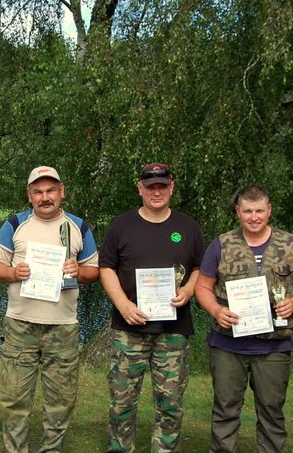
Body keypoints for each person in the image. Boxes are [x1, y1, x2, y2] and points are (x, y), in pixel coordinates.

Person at [0, 165, 99, 453]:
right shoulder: (15, 224)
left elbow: (94, 271)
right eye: (38, 192)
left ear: (61, 192)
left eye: (50, 191)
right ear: (29, 195)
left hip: (63, 326)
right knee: (14, 398)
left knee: (61, 399)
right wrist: (13, 273)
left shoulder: (78, 226)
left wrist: (78, 271)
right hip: (20, 324)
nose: (45, 197)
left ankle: (52, 449)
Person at [194, 184, 293, 453]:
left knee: (272, 411)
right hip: (228, 344)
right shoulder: (221, 244)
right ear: (238, 212)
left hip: (274, 345)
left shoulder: (290, 244)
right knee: (225, 409)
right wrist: (216, 311)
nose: (254, 217)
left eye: (259, 211)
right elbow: (202, 287)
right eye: (248, 211)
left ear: (269, 210)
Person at [100, 163, 205, 453]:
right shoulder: (122, 225)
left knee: (170, 402)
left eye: (162, 186)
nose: (156, 192)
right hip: (129, 328)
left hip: (173, 330)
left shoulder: (188, 226)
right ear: (140, 188)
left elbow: (200, 267)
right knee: (122, 401)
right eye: (150, 187)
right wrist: (122, 304)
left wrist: (188, 290)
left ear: (172, 187)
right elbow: (106, 267)